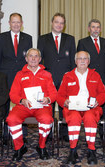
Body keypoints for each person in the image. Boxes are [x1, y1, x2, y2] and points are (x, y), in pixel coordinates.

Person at [57, 51, 105, 165]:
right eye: (80, 58)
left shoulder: (96, 75)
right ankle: (73, 150)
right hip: (72, 108)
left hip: (91, 108)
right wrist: (64, 101)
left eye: (85, 59)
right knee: (74, 118)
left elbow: (103, 94)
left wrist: (97, 101)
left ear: (89, 61)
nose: (83, 61)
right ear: (75, 61)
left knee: (90, 117)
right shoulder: (67, 76)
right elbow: (59, 95)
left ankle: (91, 150)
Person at [6, 48, 57, 161]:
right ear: (26, 58)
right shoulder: (19, 74)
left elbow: (54, 94)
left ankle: (41, 146)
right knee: (11, 119)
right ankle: (19, 147)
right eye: (30, 56)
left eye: (36, 56)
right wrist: (21, 100)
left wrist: (47, 99)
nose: (33, 58)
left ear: (40, 59)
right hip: (23, 106)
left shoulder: (47, 74)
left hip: (42, 107)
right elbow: (12, 94)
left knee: (47, 119)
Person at [37, 12, 76, 140]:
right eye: (56, 22)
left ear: (64, 25)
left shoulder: (70, 39)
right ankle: (47, 132)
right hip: (48, 78)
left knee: (65, 106)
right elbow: (39, 60)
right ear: (51, 23)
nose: (59, 25)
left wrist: (71, 76)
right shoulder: (42, 39)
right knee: (48, 106)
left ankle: (64, 133)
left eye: (61, 23)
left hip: (66, 78)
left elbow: (73, 60)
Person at [0, 12, 32, 141]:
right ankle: (5, 132)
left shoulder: (28, 38)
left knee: (23, 104)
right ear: (9, 23)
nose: (16, 24)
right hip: (5, 76)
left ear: (22, 24)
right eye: (13, 22)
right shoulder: (0, 38)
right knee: (4, 105)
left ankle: (23, 133)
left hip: (22, 77)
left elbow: (29, 59)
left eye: (18, 22)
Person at [77, 19, 105, 140]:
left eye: (98, 27)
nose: (96, 29)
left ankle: (104, 132)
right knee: (90, 106)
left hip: (104, 79)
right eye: (93, 27)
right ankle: (91, 129)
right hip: (89, 80)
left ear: (100, 29)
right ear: (89, 29)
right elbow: (79, 62)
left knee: (104, 104)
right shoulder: (82, 42)